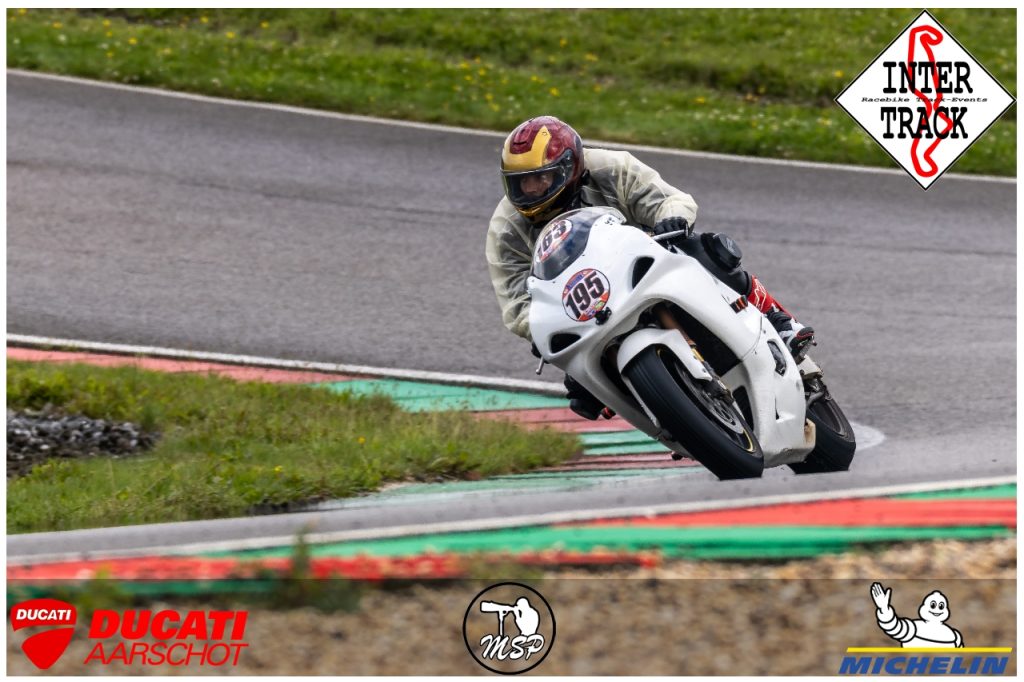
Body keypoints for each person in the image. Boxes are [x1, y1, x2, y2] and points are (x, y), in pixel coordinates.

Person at [485, 115, 815, 420]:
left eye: (540, 178)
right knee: (580, 388)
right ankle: (666, 420)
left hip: (645, 263)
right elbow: (515, 302)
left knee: (706, 249)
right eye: (521, 182)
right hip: (586, 305)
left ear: (568, 168)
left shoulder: (611, 168)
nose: (531, 191)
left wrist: (672, 219)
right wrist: (538, 325)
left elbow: (670, 199)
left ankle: (779, 320)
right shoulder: (506, 228)